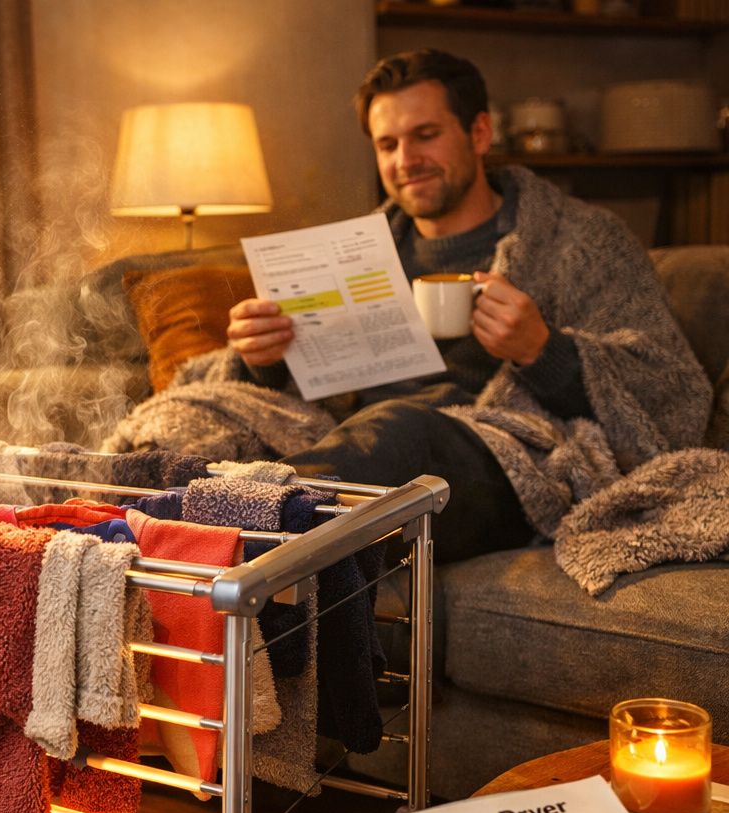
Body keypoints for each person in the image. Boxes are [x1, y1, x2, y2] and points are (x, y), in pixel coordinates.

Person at [163, 49, 711, 563]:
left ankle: (205, 539)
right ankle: (179, 528)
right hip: (354, 446)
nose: (407, 160)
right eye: (387, 144)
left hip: (499, 461)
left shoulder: (581, 241)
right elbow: (291, 390)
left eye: (425, 135)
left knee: (399, 428)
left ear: (479, 132)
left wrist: (544, 350)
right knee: (190, 432)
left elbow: (674, 393)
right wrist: (264, 357)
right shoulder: (359, 254)